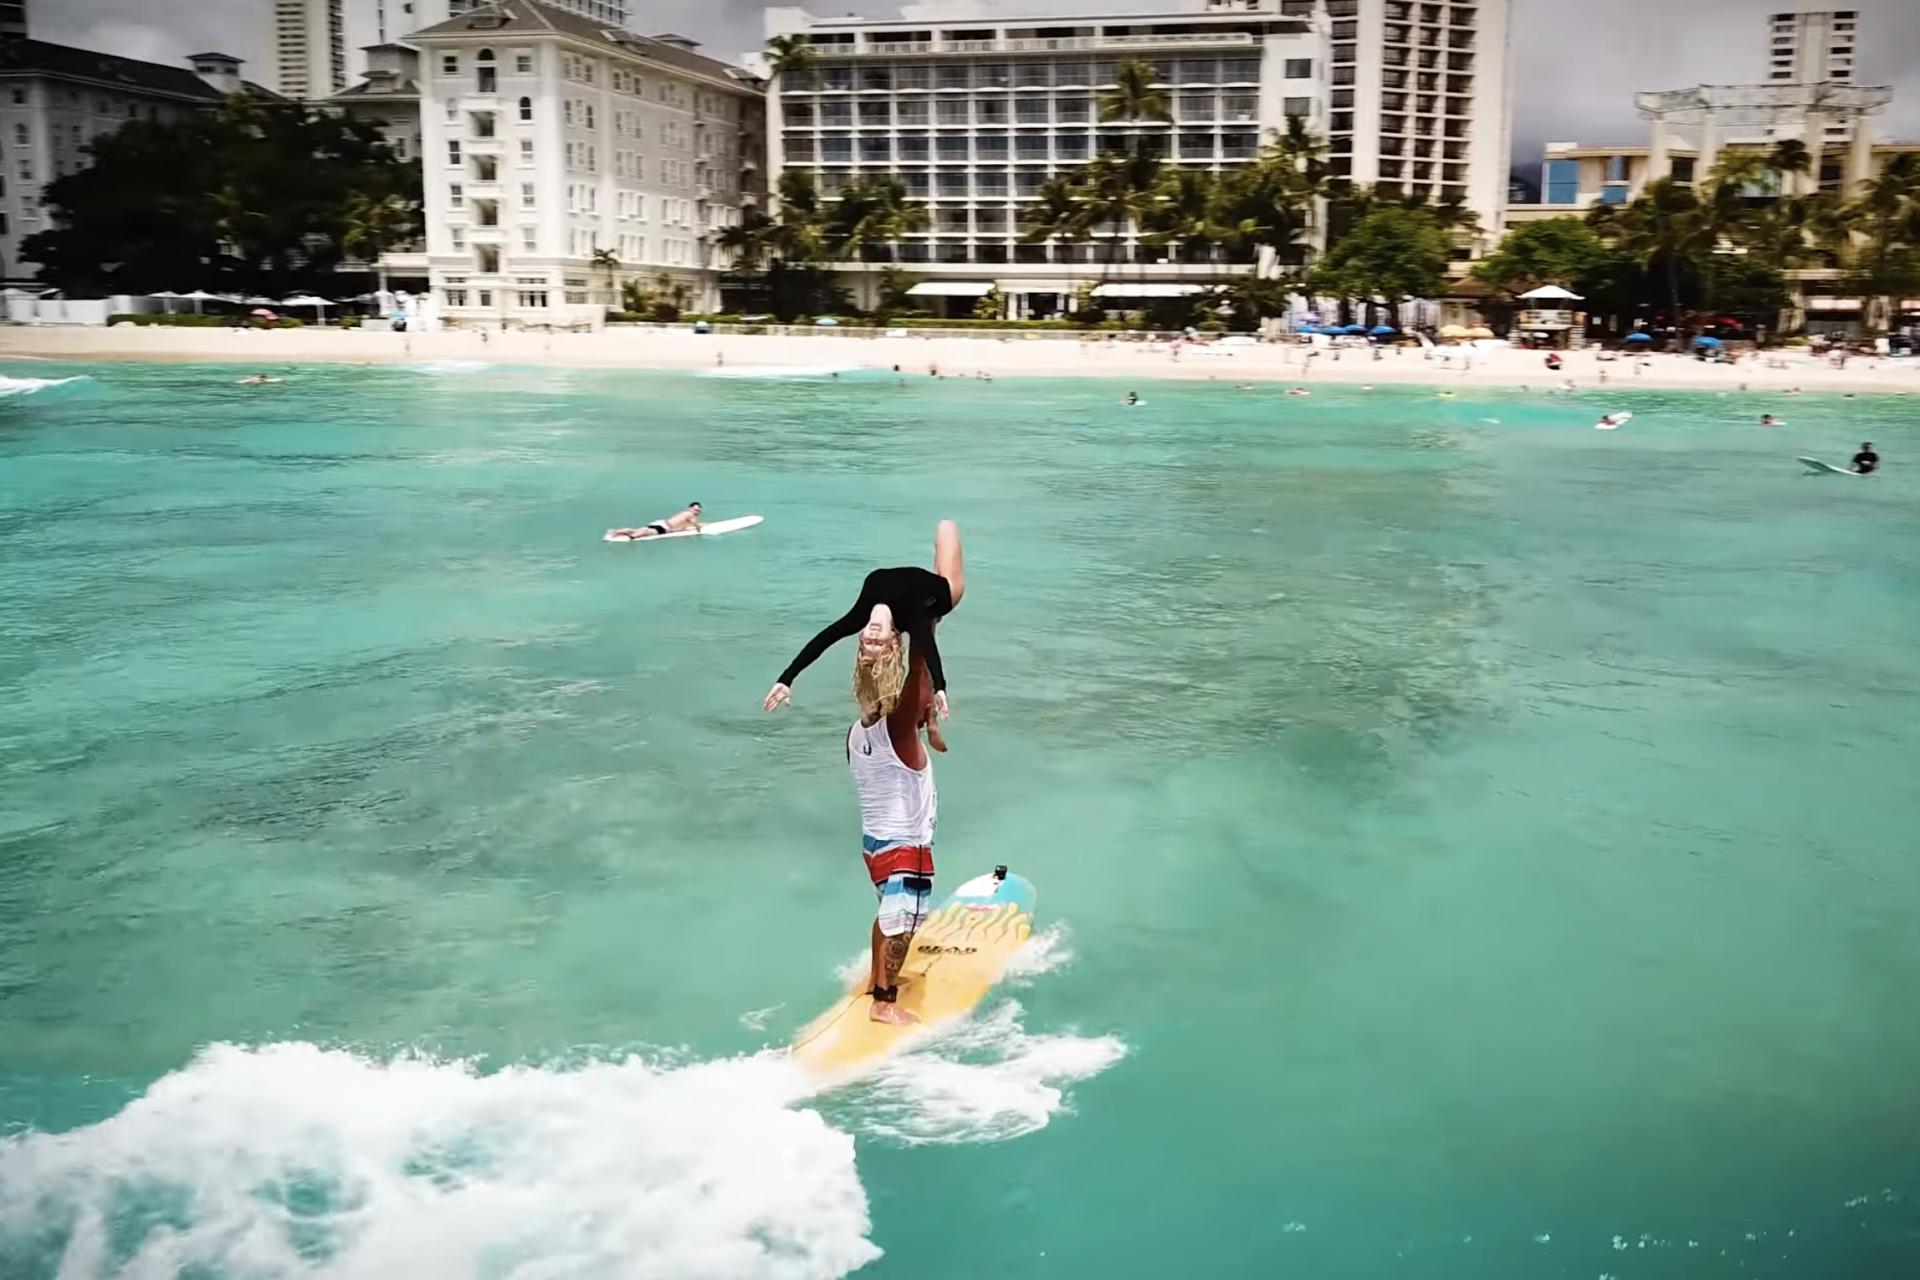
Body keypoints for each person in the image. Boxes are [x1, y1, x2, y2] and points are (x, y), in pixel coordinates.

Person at [765, 521, 965, 746]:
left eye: (868, 641)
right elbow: (931, 650)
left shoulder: (860, 615)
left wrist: (786, 679)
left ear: (860, 637)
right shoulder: (912, 618)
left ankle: (928, 719)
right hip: (943, 593)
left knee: (921, 653)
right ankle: (928, 717)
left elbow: (823, 640)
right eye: (878, 643)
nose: (873, 634)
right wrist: (941, 688)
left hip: (925, 600)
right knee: (946, 527)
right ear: (894, 639)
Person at [845, 626, 939, 1024]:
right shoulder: (899, 733)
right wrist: (926, 626)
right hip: (905, 850)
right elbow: (918, 680)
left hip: (874, 845)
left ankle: (874, 979)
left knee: (887, 913)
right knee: (904, 924)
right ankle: (884, 1002)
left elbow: (901, 702)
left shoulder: (856, 732)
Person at [607, 502, 702, 540]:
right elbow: (695, 524)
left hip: (661, 523)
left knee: (639, 529)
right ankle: (630, 537)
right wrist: (699, 530)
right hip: (664, 527)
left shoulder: (684, 512)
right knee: (645, 532)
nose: (696, 511)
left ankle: (616, 532)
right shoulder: (690, 514)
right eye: (695, 509)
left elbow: (684, 525)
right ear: (690, 508)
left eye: (698, 510)